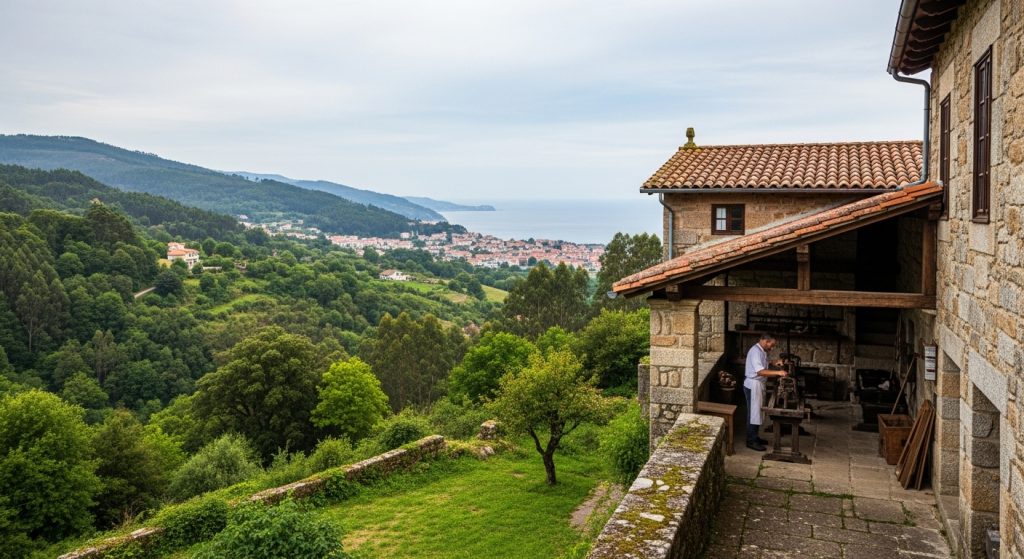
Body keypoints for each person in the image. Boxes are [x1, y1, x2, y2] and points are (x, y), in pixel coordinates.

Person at [744, 333, 787, 451]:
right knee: (753, 413)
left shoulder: (761, 351)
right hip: (753, 384)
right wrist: (778, 373)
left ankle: (755, 437)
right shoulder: (755, 351)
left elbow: (763, 364)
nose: (771, 348)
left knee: (757, 412)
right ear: (765, 341)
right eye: (771, 345)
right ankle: (751, 441)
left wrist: (773, 363)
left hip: (758, 384)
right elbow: (760, 371)